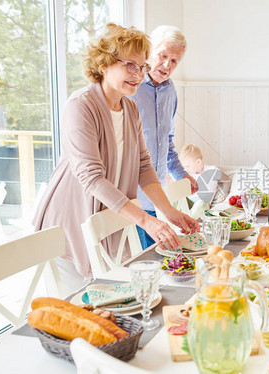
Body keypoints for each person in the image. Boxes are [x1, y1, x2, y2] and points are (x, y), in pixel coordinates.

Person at [33, 24, 199, 294]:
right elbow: (91, 177)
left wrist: (168, 212)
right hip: (69, 219)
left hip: (107, 217)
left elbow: (143, 166)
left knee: (114, 302)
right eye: (130, 65)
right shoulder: (81, 105)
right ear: (104, 63)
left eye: (141, 67)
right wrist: (146, 220)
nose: (138, 74)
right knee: (78, 310)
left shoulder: (129, 107)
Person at [131, 25, 198, 249]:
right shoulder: (132, 88)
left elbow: (166, 142)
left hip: (154, 192)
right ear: (150, 51)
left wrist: (181, 173)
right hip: (129, 194)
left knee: (156, 256)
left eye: (174, 60)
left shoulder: (171, 92)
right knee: (144, 259)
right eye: (163, 56)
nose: (167, 65)